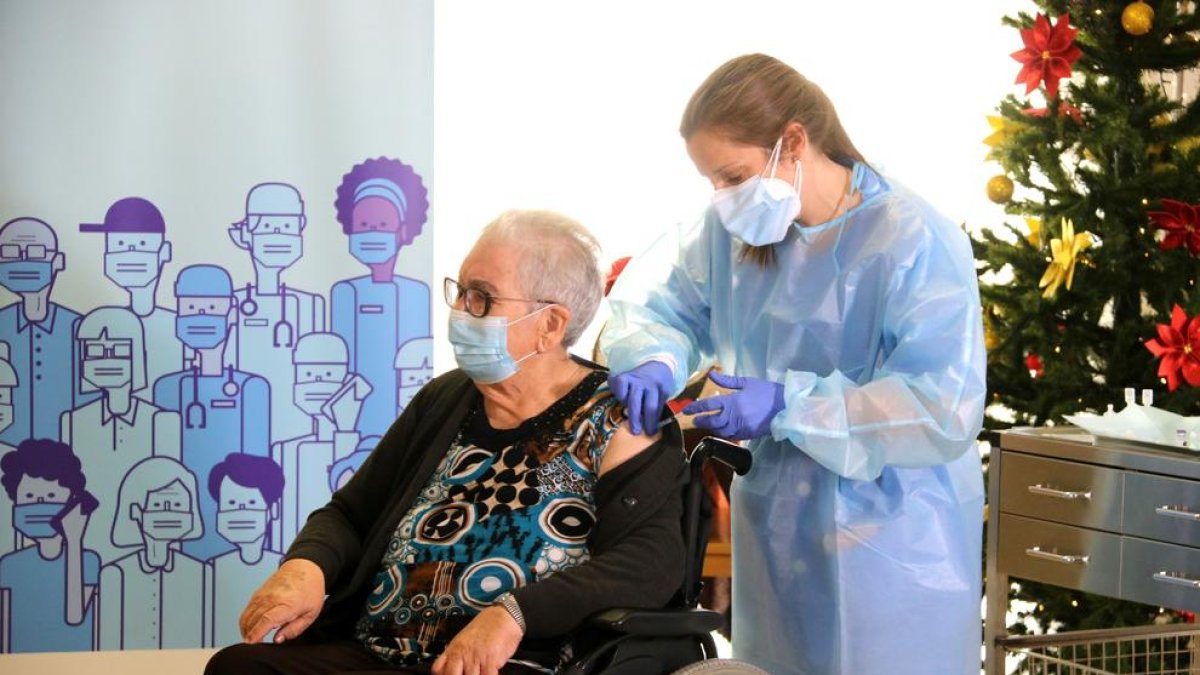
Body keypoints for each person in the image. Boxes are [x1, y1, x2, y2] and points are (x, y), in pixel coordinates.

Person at [598, 54, 986, 675]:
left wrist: (788, 404)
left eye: (734, 175)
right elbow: (659, 306)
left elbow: (943, 404)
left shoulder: (913, 238)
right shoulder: (732, 234)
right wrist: (651, 359)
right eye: (713, 182)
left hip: (897, 538)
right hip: (778, 525)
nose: (723, 198)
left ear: (794, 142)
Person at [207, 209, 686, 675]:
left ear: (551, 325)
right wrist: (307, 566)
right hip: (377, 651)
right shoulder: (447, 397)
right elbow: (353, 514)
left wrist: (514, 613)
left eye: (481, 298)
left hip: (504, 662)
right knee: (237, 667)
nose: (459, 312)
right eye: (459, 292)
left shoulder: (618, 416)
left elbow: (649, 561)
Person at [153, 264, 271, 560]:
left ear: (230, 314)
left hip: (238, 518)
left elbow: (258, 471)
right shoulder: (166, 388)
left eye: (211, 307)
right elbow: (162, 464)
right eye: (191, 308)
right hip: (177, 518)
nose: (201, 317)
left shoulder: (253, 388)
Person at [61, 306, 181, 563]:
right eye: (95, 352)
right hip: (83, 543)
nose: (107, 361)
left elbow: (171, 489)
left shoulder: (162, 421)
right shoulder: (73, 421)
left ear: (137, 356)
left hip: (143, 542)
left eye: (118, 351)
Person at [329, 157, 432, 438]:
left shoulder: (418, 292)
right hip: (351, 415)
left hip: (407, 411)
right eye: (363, 224)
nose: (372, 232)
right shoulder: (344, 293)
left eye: (382, 224)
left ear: (402, 230)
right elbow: (337, 359)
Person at [79, 196, 186, 395]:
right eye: (119, 244)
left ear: (165, 252)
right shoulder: (99, 326)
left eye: (142, 244)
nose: (129, 253)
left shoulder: (177, 325)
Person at [0, 439, 100, 653]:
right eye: (28, 496)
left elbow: (75, 617)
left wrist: (74, 541)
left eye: (51, 496)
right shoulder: (10, 565)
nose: (38, 503)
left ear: (70, 501)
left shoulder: (89, 561)